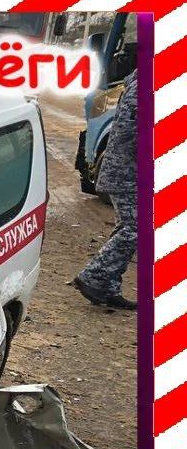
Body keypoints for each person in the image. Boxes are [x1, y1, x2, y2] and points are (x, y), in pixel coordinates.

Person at [74, 70, 139, 310]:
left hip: (128, 170)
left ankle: (108, 287)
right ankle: (94, 276)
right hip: (126, 171)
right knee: (135, 229)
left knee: (128, 227)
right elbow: (133, 131)